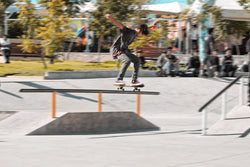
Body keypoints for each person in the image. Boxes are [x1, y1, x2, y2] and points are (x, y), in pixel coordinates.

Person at [106, 14, 158, 86]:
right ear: (140, 32)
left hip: (124, 50)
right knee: (127, 60)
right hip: (117, 49)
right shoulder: (129, 31)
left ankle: (134, 80)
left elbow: (143, 28)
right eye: (142, 34)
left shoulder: (136, 33)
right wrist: (111, 19)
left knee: (136, 60)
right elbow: (120, 25)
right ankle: (119, 79)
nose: (141, 36)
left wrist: (151, 26)